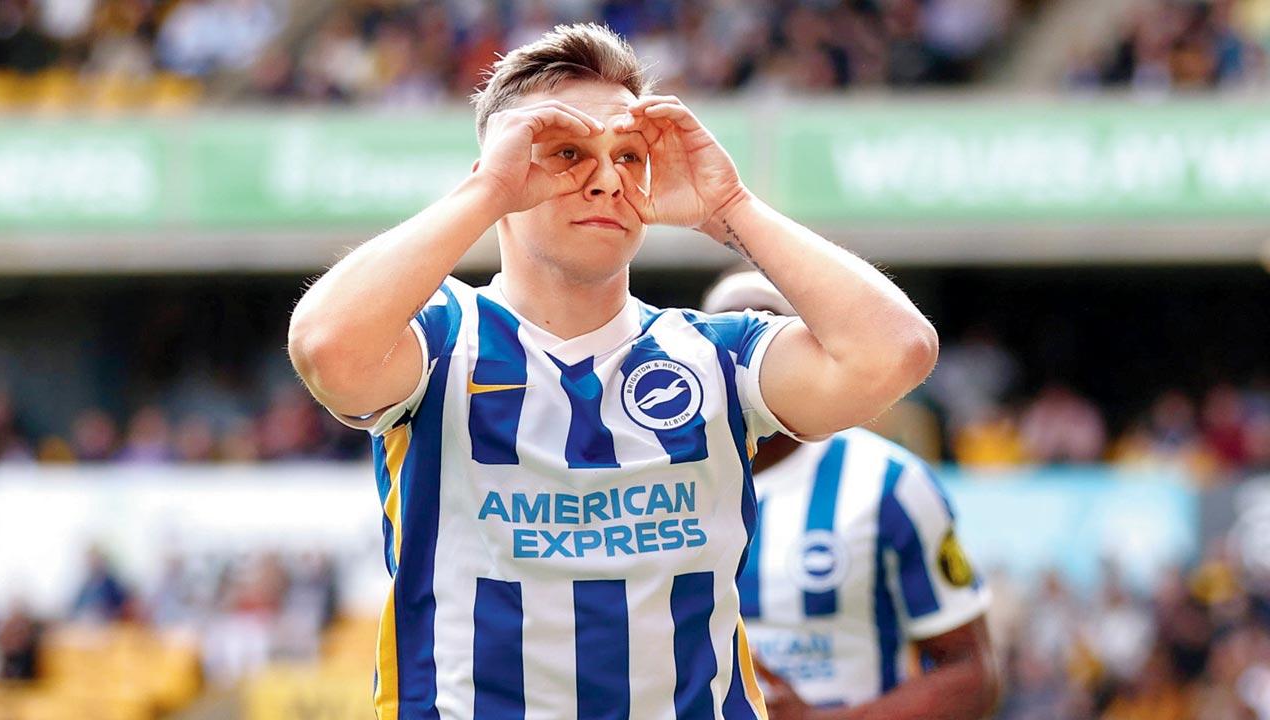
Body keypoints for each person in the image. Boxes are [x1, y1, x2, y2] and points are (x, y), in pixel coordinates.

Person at [287, 23, 938, 719]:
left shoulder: (716, 356)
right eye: (567, 153)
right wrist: (486, 191)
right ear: (508, 165)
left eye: (627, 155)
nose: (604, 179)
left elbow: (896, 352)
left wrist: (730, 208)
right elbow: (326, 348)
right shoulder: (440, 341)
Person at [708, 272, 997, 720]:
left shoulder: (891, 483)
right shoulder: (661, 482)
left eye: (768, 338)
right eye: (728, 339)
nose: (748, 360)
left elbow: (972, 674)